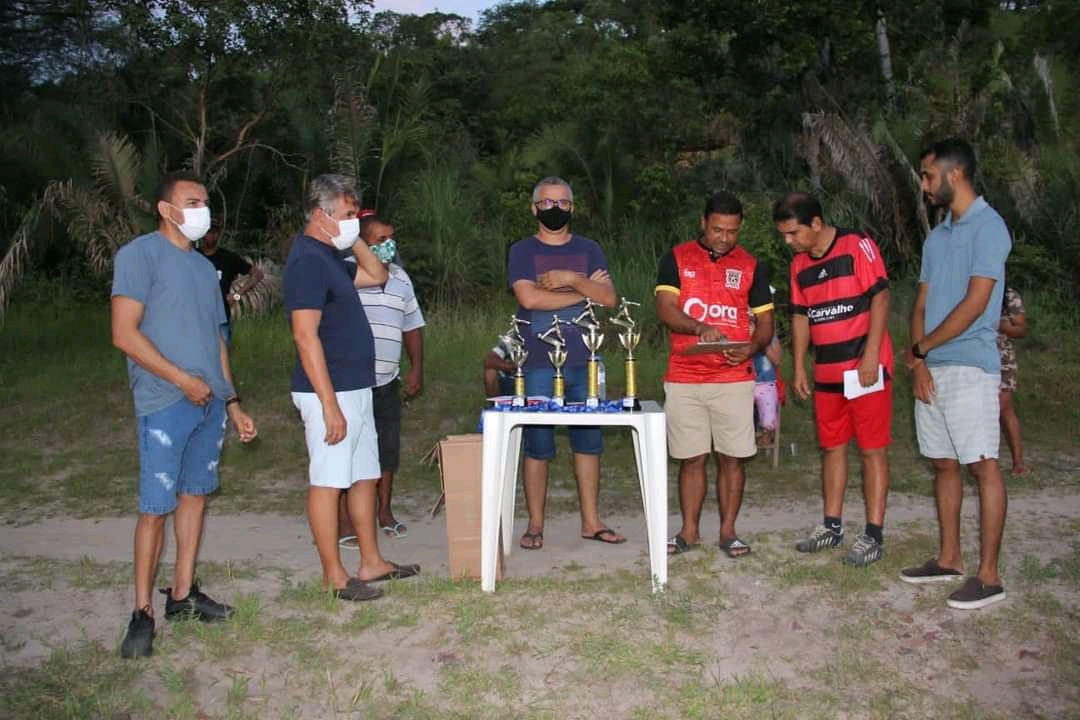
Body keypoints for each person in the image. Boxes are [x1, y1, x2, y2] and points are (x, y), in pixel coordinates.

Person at [110, 171, 258, 659]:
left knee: (195, 496)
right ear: (165, 209)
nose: (202, 210)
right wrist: (180, 380)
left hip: (209, 403)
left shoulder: (203, 268)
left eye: (205, 202)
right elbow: (124, 334)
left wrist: (232, 401)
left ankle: (182, 594)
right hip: (164, 400)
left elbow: (217, 339)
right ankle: (141, 612)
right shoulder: (139, 256)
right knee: (155, 509)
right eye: (192, 202)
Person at [283, 174, 419, 602]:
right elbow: (305, 335)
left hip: (358, 386)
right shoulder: (307, 260)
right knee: (329, 480)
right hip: (331, 390)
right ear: (320, 215)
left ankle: (371, 561)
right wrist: (329, 405)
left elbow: (377, 274)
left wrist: (353, 236)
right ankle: (334, 575)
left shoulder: (330, 256)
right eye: (345, 215)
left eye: (355, 215)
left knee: (364, 476)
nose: (352, 222)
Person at [901, 138, 1011, 610]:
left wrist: (922, 348)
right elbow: (921, 305)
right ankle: (949, 558)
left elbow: (976, 302)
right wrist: (920, 361)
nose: (924, 186)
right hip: (933, 366)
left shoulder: (990, 227)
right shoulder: (936, 237)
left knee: (981, 464)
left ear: (955, 175)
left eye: (928, 176)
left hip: (971, 366)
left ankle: (989, 576)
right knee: (943, 463)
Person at [773, 192, 894, 567]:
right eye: (784, 234)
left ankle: (873, 535)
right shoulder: (799, 265)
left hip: (864, 369)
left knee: (872, 449)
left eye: (793, 233)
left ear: (816, 223)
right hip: (827, 372)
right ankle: (832, 526)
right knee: (833, 447)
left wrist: (871, 355)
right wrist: (799, 367)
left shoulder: (856, 244)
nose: (788, 241)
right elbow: (800, 316)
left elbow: (881, 297)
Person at [507, 176, 623, 550]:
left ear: (572, 208)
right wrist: (584, 291)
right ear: (534, 208)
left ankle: (591, 521)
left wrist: (569, 278)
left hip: (584, 359)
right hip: (537, 362)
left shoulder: (589, 249)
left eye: (562, 203)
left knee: (588, 442)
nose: (555, 209)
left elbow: (609, 299)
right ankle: (535, 525)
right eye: (547, 202)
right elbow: (530, 299)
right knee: (538, 445)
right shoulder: (522, 251)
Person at [656, 191, 774, 558]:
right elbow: (665, 308)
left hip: (733, 378)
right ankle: (688, 531)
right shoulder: (676, 258)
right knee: (691, 458)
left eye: (732, 231)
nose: (724, 238)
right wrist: (698, 328)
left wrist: (752, 347)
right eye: (717, 229)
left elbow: (766, 323)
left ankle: (728, 532)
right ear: (703, 223)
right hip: (684, 376)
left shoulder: (752, 265)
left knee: (732, 457)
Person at [336, 212, 425, 545]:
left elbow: (412, 326)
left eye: (391, 238)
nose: (389, 245)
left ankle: (383, 512)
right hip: (351, 380)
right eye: (380, 240)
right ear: (360, 243)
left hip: (388, 380)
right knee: (349, 450)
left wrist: (416, 368)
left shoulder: (401, 278)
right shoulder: (346, 273)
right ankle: (345, 521)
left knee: (387, 450)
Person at [197, 218, 265, 346]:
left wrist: (237, 295)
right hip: (196, 317)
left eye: (215, 232)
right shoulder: (193, 256)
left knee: (222, 354)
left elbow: (257, 274)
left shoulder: (228, 258)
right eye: (208, 232)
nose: (212, 236)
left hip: (220, 317)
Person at [997, 286, 1027, 475]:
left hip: (1002, 358)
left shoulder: (1008, 295)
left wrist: (1002, 326)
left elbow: (1021, 329)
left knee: (1004, 407)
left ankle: (1018, 461)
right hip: (974, 357)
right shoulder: (967, 289)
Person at [751, 309, 782, 447]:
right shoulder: (741, 338)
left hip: (766, 383)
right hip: (744, 383)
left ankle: (767, 434)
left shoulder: (771, 339)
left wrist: (762, 343)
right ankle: (747, 436)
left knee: (768, 411)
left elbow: (777, 360)